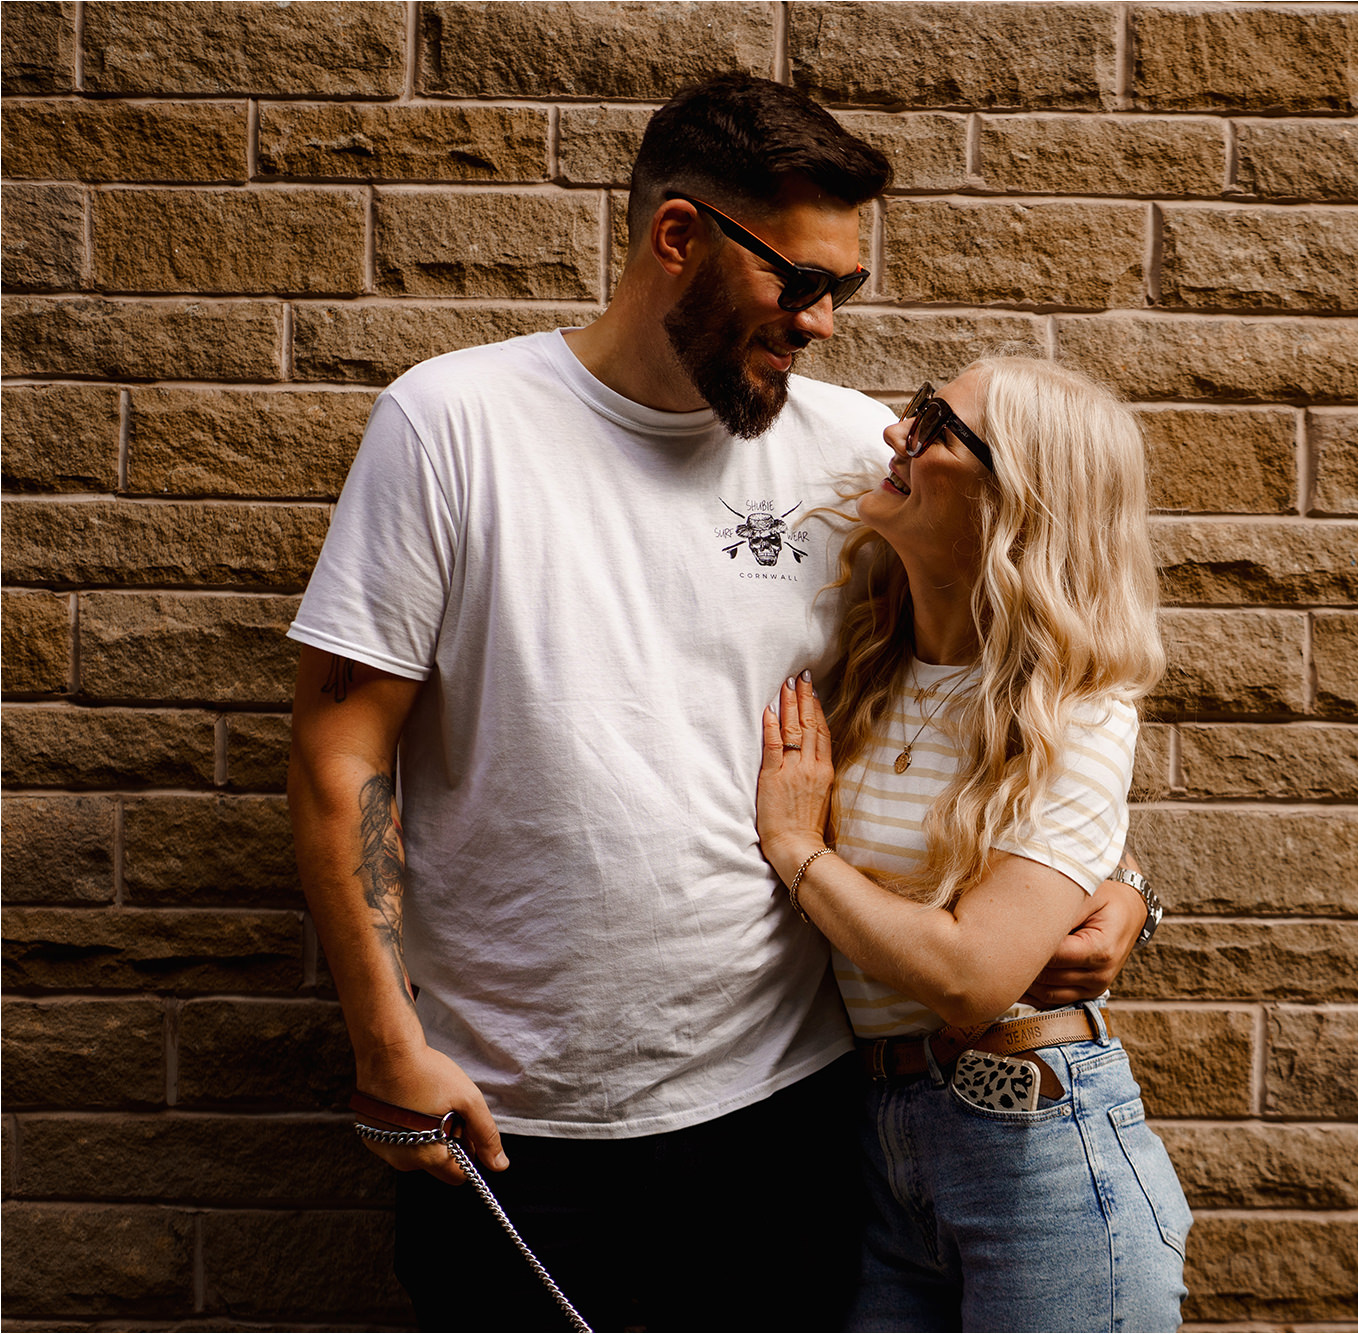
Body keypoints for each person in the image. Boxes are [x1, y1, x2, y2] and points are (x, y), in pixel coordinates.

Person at [285, 75, 1153, 1332]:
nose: (823, 324)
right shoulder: (452, 423)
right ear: (677, 236)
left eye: (845, 291)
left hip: (790, 1111)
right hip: (512, 1112)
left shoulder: (868, 456)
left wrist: (1113, 876)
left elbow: (1028, 669)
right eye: (799, 281)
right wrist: (382, 1040)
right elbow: (338, 744)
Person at [755, 359, 1190, 1332]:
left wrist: (796, 849)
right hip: (877, 1150)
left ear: (1015, 501)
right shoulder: (864, 661)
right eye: (918, 403)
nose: (893, 433)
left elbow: (970, 974)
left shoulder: (1073, 707)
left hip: (1033, 1150)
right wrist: (1121, 883)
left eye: (937, 423)